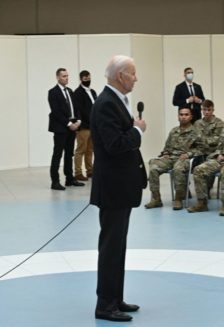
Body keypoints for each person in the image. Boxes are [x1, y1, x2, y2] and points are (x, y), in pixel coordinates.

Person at [91, 55, 147, 322]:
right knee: (111, 247)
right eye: (133, 73)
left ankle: (115, 298)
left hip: (121, 186)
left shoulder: (115, 101)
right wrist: (138, 132)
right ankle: (105, 305)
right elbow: (114, 145)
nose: (136, 78)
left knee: (118, 245)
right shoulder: (105, 104)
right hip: (113, 188)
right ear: (121, 75)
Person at [145, 107, 203, 210]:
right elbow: (167, 147)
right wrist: (166, 153)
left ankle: (178, 199)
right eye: (181, 114)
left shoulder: (196, 132)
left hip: (184, 159)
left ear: (191, 117)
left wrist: (189, 154)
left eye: (186, 114)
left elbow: (201, 149)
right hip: (171, 158)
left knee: (178, 169)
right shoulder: (174, 131)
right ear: (178, 116)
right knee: (153, 167)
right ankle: (156, 199)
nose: (183, 117)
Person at [48, 68, 84, 190]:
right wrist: (69, 124)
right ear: (58, 77)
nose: (66, 78)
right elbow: (56, 112)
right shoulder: (53, 92)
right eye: (64, 76)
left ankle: (69, 178)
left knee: (69, 154)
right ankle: (55, 182)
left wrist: (78, 121)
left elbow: (77, 108)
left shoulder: (70, 91)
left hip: (72, 128)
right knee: (57, 154)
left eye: (67, 76)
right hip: (60, 128)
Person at [72, 70, 97, 181]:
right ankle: (78, 173)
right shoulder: (77, 93)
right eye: (85, 79)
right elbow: (79, 110)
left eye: (89, 78)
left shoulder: (93, 92)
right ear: (81, 79)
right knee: (80, 150)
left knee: (90, 150)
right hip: (83, 126)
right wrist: (80, 123)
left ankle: (90, 171)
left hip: (93, 126)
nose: (88, 80)